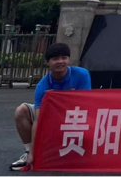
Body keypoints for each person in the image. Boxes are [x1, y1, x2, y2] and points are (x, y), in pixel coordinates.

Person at [11, 43, 91, 172]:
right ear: (47, 62)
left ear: (68, 59)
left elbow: (86, 105)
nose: (60, 61)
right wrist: (32, 153)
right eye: (55, 59)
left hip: (75, 117)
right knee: (21, 111)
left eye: (64, 58)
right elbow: (38, 120)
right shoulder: (42, 86)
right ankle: (29, 153)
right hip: (52, 118)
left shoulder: (82, 74)